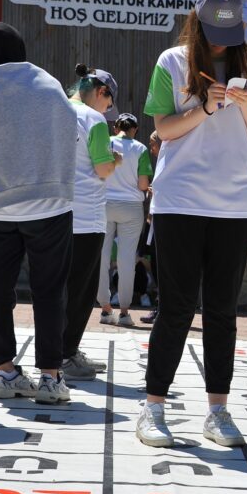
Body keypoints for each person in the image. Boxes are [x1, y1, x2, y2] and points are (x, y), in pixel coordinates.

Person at [137, 0, 247, 448]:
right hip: (178, 201)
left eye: (230, 32)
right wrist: (205, 107)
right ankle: (153, 407)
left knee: (222, 311)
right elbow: (164, 130)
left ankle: (218, 411)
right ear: (196, 21)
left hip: (234, 204)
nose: (222, 42)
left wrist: (246, 104)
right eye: (215, 31)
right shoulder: (171, 61)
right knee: (175, 309)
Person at [0, 22, 76, 404]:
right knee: (50, 292)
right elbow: (71, 134)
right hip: (49, 202)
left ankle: (4, 372)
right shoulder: (48, 87)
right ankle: (50, 377)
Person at [60, 65, 119, 381]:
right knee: (81, 290)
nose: (108, 111)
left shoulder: (55, 107)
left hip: (54, 212)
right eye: (109, 104)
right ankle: (66, 354)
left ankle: (61, 351)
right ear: (101, 92)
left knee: (58, 288)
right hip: (86, 216)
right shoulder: (94, 120)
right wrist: (115, 161)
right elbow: (103, 169)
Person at [98, 113, 152, 327]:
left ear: (115, 128)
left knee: (101, 257)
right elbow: (142, 185)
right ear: (135, 129)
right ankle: (124, 311)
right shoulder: (140, 149)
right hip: (131, 207)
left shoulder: (106, 144)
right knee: (127, 260)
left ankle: (104, 308)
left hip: (104, 203)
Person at [139, 130, 162, 325]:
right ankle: (159, 307)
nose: (151, 150)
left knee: (160, 267)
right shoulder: (161, 162)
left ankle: (161, 308)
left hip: (163, 222)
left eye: (152, 145)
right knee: (155, 266)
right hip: (154, 220)